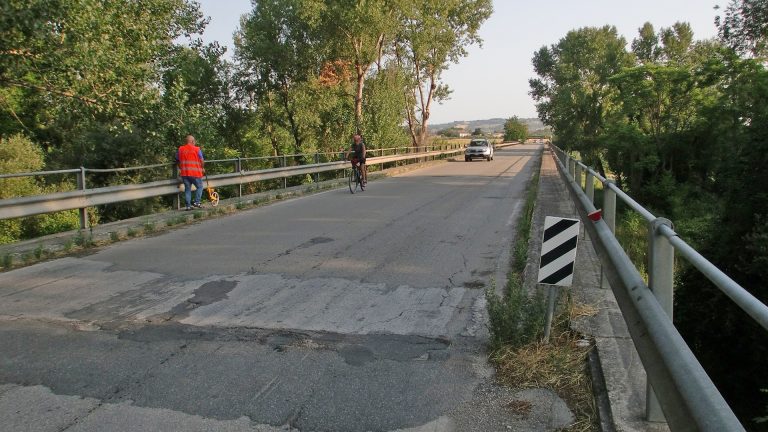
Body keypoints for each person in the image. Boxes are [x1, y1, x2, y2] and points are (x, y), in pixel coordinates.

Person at [175, 135, 205, 210]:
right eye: (194, 141)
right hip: (195, 173)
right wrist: (202, 168)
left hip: (185, 173)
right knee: (200, 187)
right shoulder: (197, 149)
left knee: (187, 189)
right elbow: (201, 160)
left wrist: (181, 168)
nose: (195, 142)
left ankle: (188, 206)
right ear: (192, 141)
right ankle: (197, 202)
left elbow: (177, 160)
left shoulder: (181, 149)